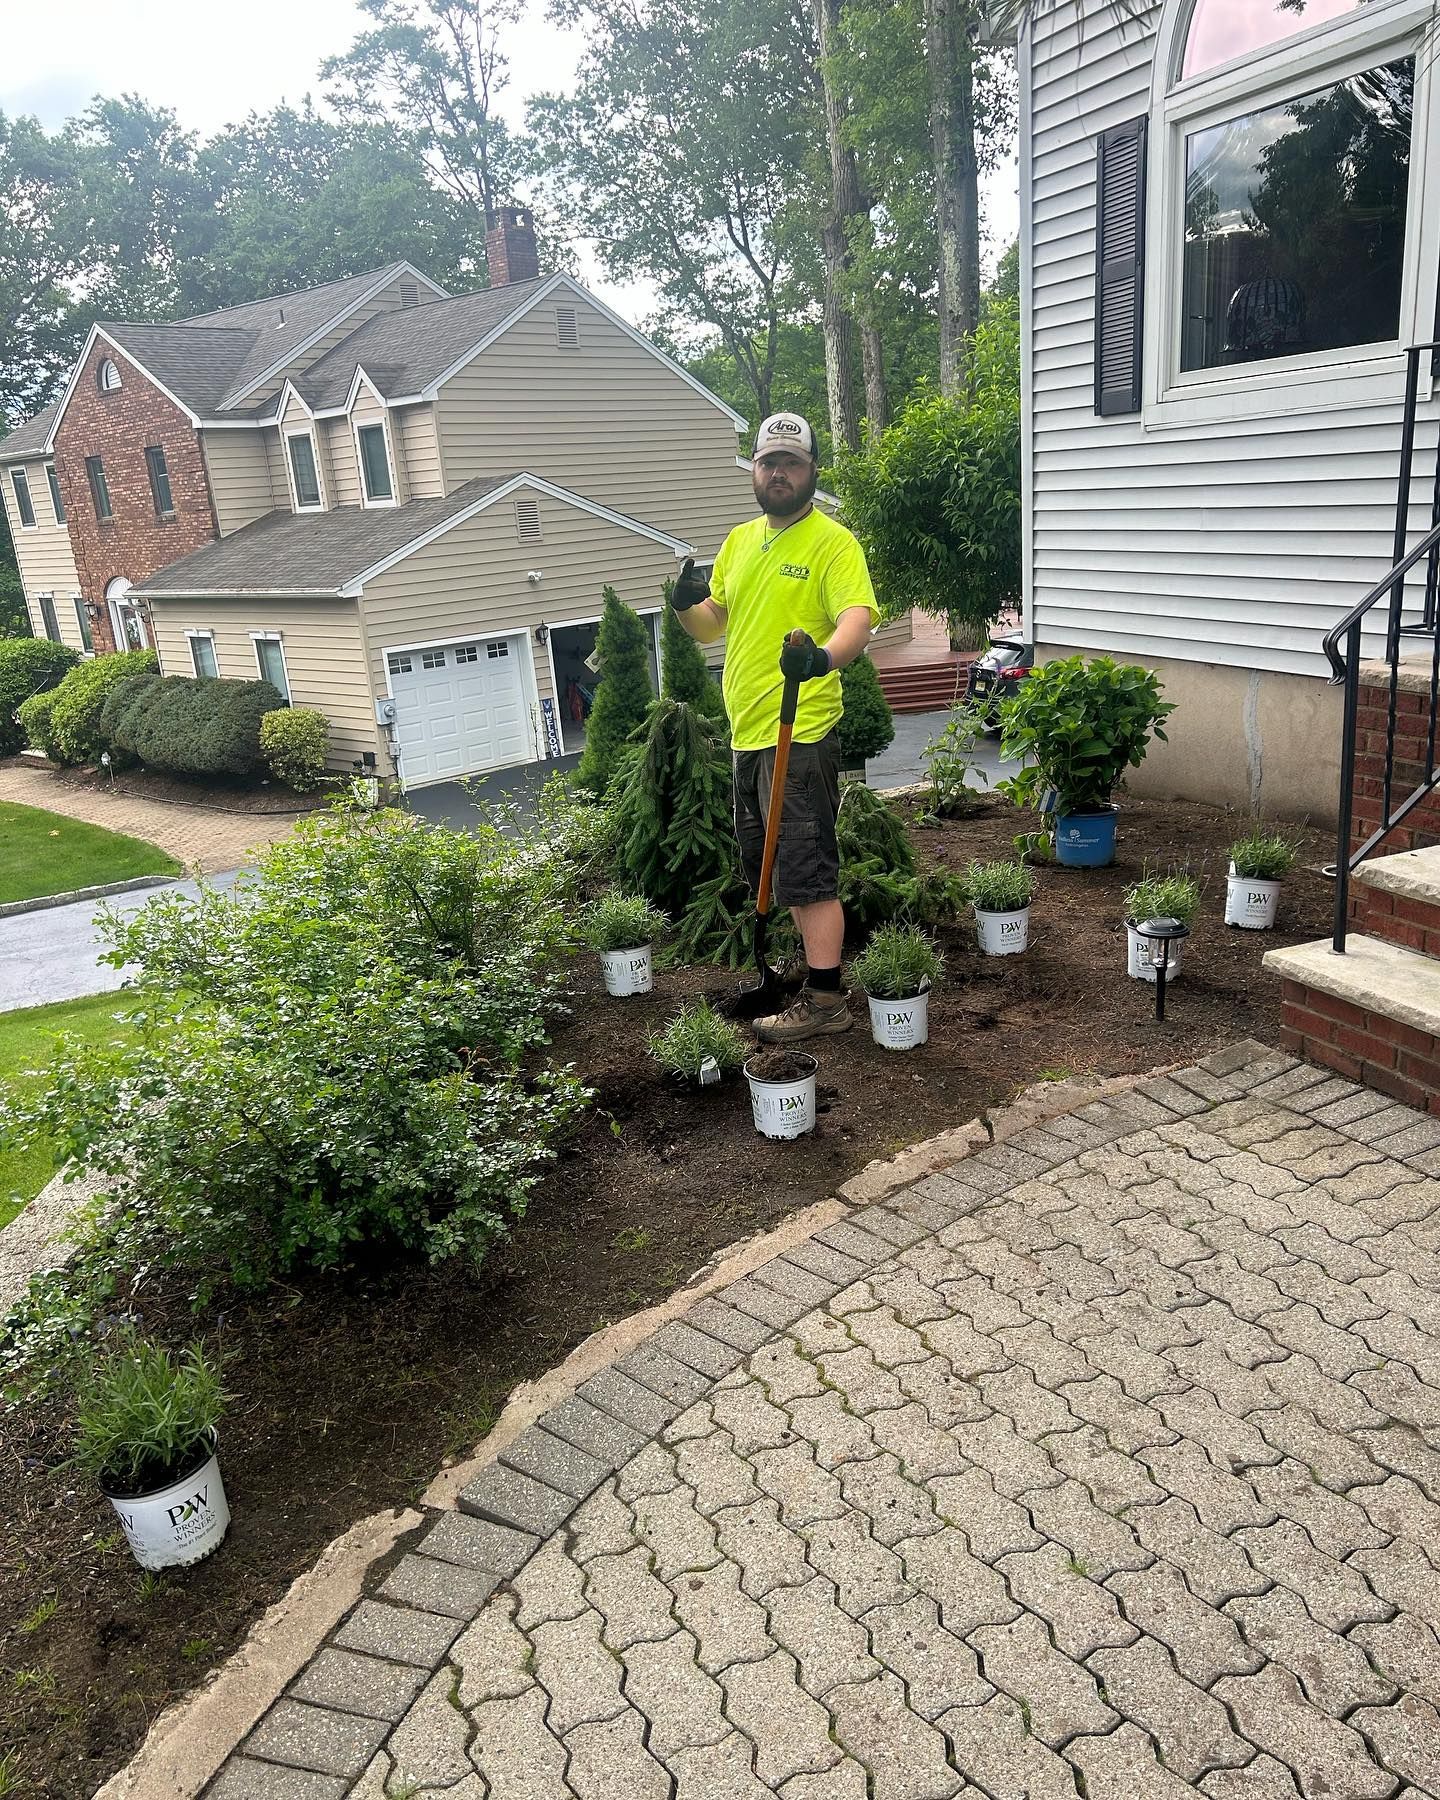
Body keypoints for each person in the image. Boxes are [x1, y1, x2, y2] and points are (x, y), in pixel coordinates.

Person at [670, 412, 880, 1042]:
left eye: (791, 462)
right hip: (750, 731)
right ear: (754, 470)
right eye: (769, 462)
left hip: (802, 728)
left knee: (806, 867)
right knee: (774, 864)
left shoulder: (832, 542)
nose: (779, 472)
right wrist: (686, 605)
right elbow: (715, 624)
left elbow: (856, 622)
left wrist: (819, 659)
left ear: (812, 470)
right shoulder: (738, 542)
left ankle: (824, 1003)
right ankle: (809, 971)